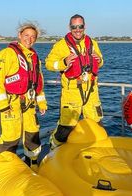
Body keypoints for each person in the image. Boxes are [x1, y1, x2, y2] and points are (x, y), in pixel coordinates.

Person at [0, 21, 47, 171]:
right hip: (11, 106)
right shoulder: (7, 54)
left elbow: (37, 82)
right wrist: (3, 106)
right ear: (19, 35)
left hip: (29, 105)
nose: (29, 39)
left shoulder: (34, 57)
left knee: (32, 136)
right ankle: (3, 170)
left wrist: (42, 103)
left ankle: (33, 164)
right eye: (26, 35)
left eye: (33, 37)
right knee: (10, 139)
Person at [45, 14, 104, 149]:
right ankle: (53, 146)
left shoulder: (93, 43)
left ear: (84, 26)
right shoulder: (61, 45)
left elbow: (100, 61)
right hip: (71, 95)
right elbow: (48, 64)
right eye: (74, 27)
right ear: (69, 27)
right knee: (65, 129)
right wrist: (63, 62)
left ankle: (96, 153)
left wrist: (99, 61)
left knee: (97, 126)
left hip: (91, 93)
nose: (77, 29)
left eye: (80, 26)